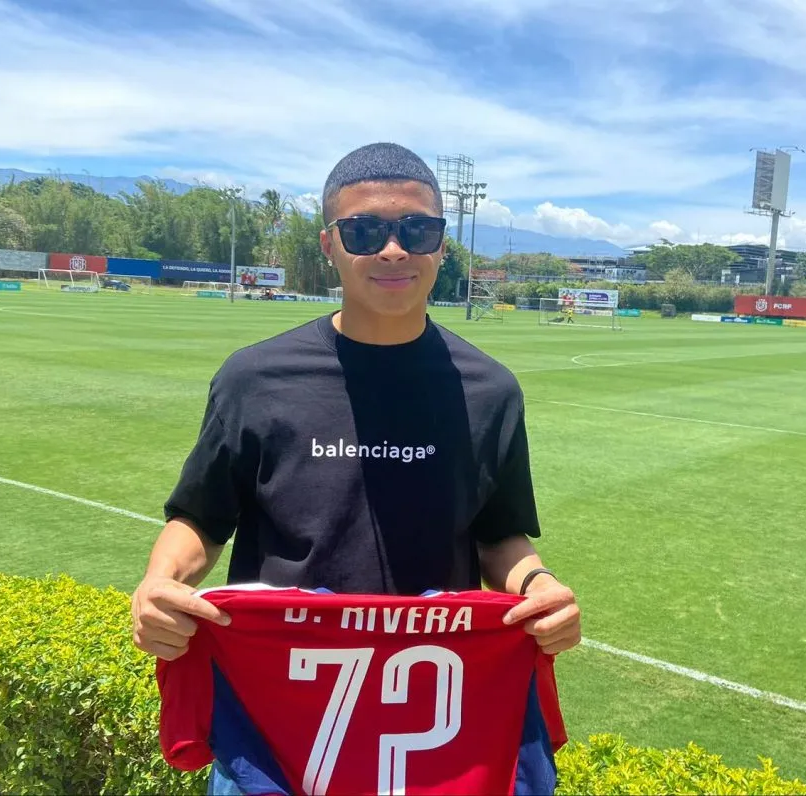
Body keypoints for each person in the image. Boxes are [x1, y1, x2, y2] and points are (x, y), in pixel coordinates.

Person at [131, 142, 581, 789]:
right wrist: (158, 581)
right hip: (274, 724)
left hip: (429, 720)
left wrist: (538, 587)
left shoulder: (490, 390)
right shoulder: (255, 378)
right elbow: (200, 519)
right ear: (329, 245)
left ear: (442, 245)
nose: (393, 250)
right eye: (365, 230)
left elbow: (499, 535)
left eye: (416, 230)